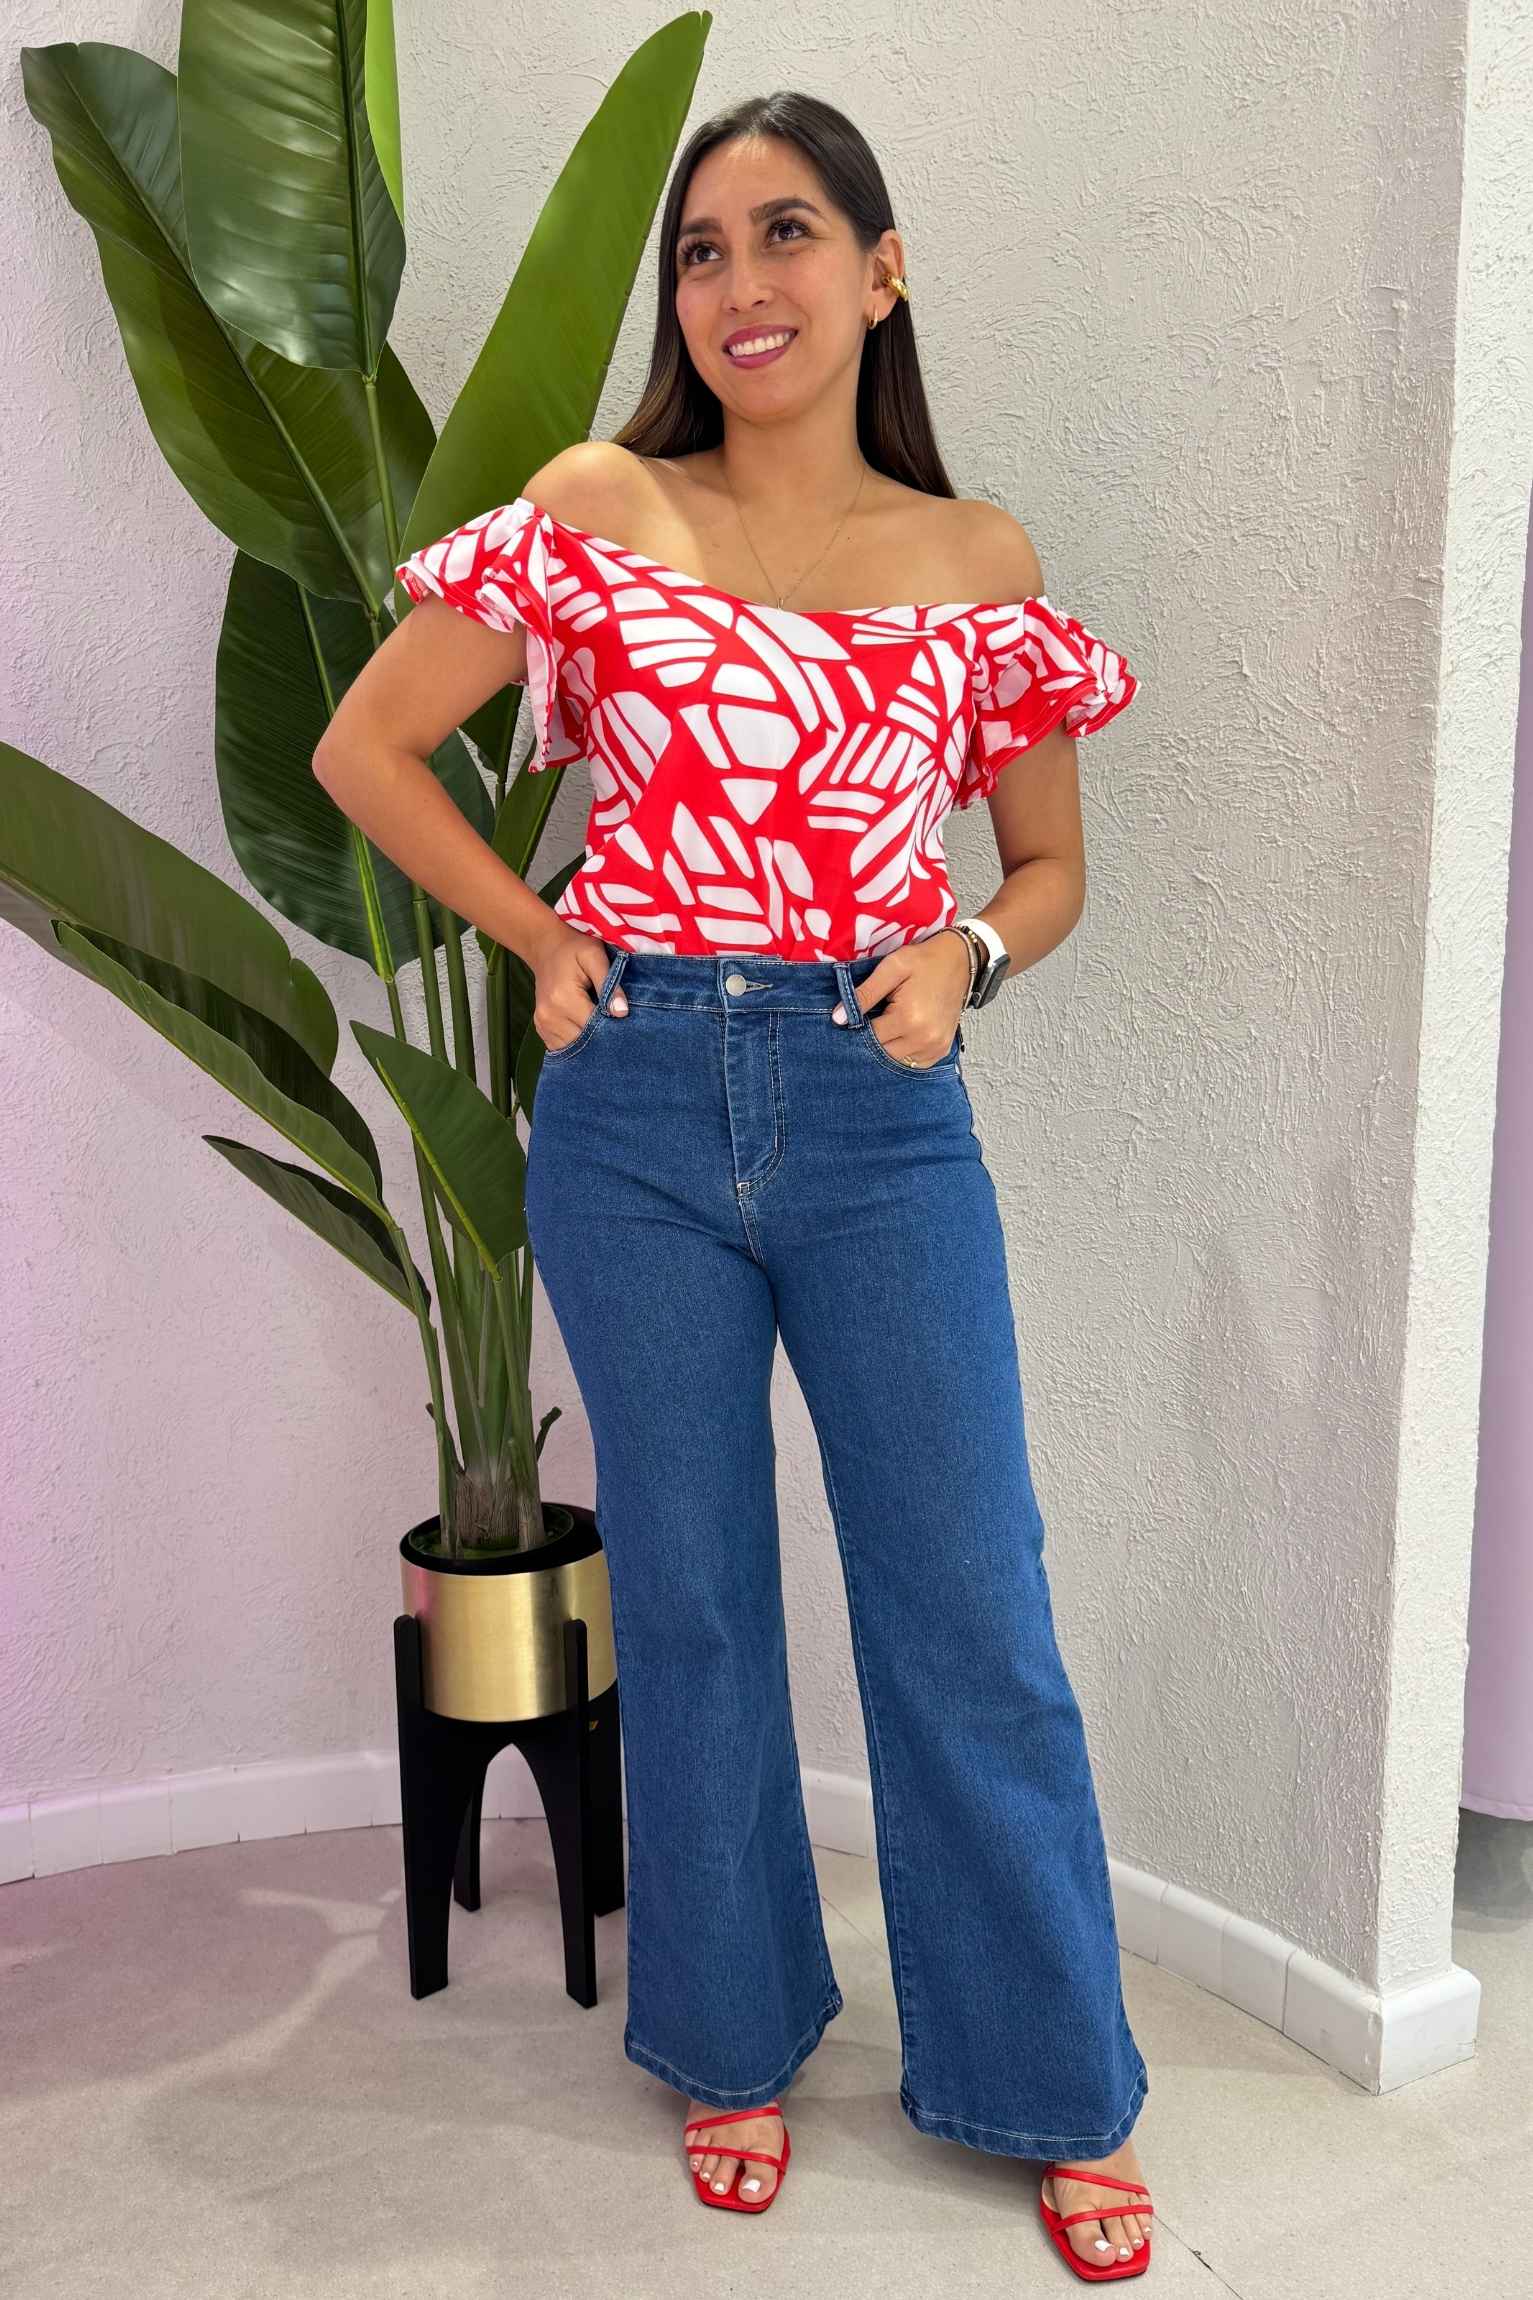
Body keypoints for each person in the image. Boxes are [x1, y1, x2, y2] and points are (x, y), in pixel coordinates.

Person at [316, 88, 1153, 2282]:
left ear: (879, 271)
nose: (736, 284)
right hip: (634, 1115)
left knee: (967, 1606)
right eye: (699, 250)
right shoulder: (600, 506)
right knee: (687, 1601)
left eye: (785, 234)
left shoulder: (977, 563)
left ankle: (1049, 2079)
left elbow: (1045, 868)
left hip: (878, 1114)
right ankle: (729, 2036)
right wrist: (539, 936)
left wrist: (961, 958)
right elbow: (365, 747)